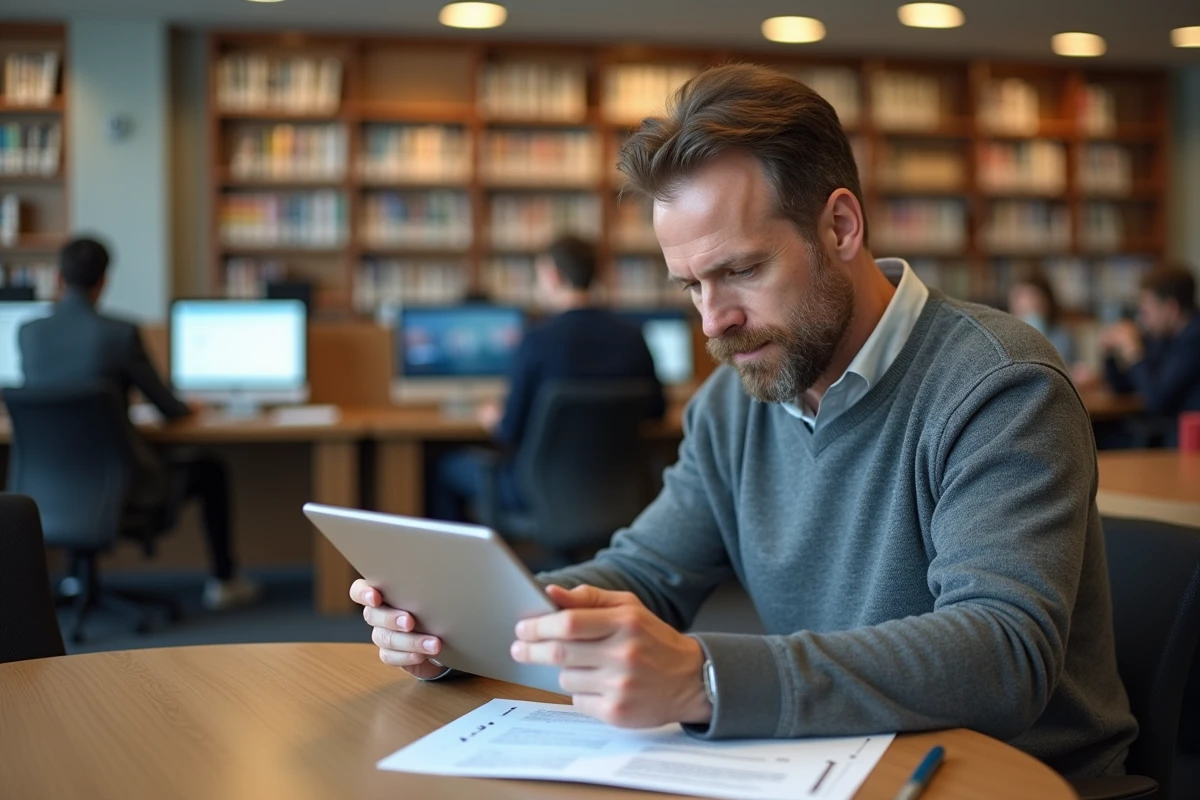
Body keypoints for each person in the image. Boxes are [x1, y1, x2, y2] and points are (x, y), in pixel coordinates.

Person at [353, 64, 1135, 780]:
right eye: (690, 285)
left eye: (741, 271)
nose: (713, 323)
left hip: (1008, 781)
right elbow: (648, 575)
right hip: (830, 762)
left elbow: (1003, 654)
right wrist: (467, 622)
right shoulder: (734, 400)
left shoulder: (999, 383)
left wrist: (704, 677)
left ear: (840, 227)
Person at [18, 236, 260, 610]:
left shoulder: (28, 334)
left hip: (47, 487)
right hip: (122, 484)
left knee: (79, 465)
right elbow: (168, 409)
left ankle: (72, 579)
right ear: (103, 281)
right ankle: (224, 581)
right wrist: (190, 407)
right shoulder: (120, 333)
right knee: (212, 468)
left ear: (58, 279)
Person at [430, 235, 665, 523]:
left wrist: (493, 417)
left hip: (534, 489)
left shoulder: (537, 340)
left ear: (553, 276)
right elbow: (657, 410)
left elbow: (509, 430)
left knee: (445, 467)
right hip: (615, 486)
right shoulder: (633, 336)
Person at [1100, 264, 1200, 447]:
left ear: (1171, 308)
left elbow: (1156, 400)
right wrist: (1110, 354)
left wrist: (1134, 352)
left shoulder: (1194, 339)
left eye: (1147, 311)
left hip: (1186, 444)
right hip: (1168, 436)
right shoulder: (1163, 337)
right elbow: (1124, 387)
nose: (1142, 319)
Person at [1008, 268, 1074, 363]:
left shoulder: (1061, 337)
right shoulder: (1006, 340)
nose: (1028, 318)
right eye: (1022, 311)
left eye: (1034, 310)